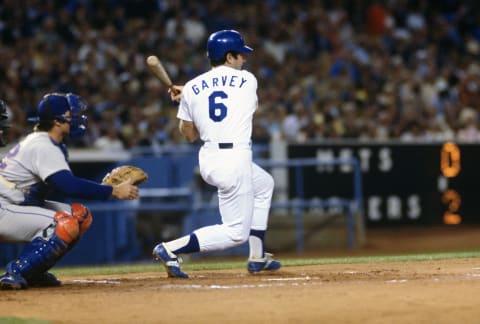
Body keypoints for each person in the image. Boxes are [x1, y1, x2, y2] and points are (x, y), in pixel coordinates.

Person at [152, 30, 281, 278]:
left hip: (210, 159)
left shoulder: (192, 88)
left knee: (265, 184)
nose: (244, 59)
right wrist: (188, 96)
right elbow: (230, 98)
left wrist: (186, 100)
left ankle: (257, 257)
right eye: (240, 55)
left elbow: (189, 135)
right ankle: (169, 248)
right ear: (229, 56)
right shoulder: (248, 81)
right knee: (235, 233)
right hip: (234, 159)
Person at [0, 93, 139, 290]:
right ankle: (16, 272)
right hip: (4, 207)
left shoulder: (45, 142)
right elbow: (68, 185)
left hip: (15, 202)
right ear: (57, 121)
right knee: (64, 223)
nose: (75, 117)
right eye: (69, 114)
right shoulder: (43, 145)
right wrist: (112, 190)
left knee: (80, 215)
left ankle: (34, 272)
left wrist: (104, 188)